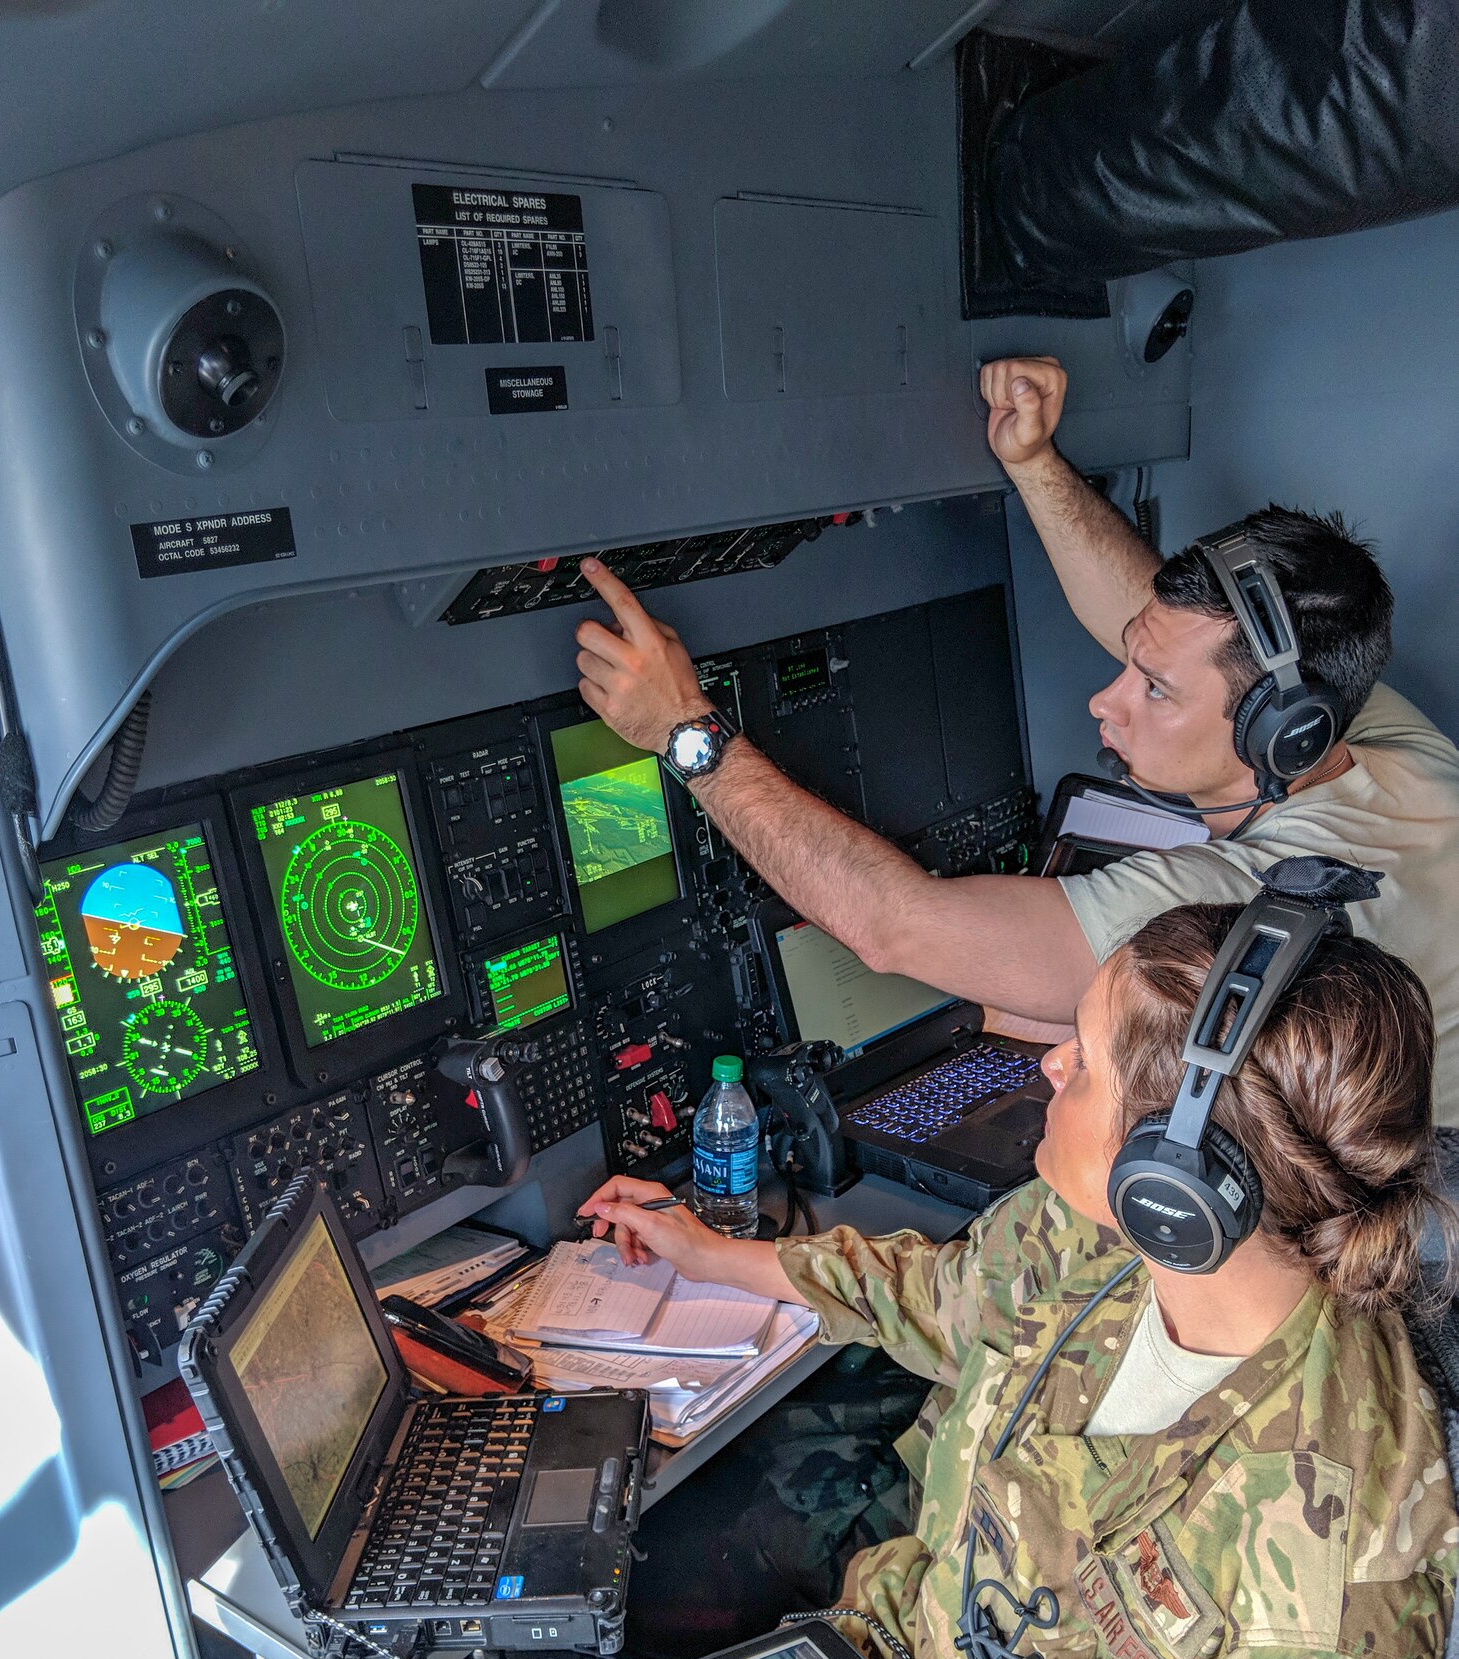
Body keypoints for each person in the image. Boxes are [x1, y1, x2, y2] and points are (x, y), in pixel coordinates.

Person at [407, 894, 1458, 1659]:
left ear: (1182, 1178)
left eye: (1086, 1061)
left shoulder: (1350, 1545)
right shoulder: (1092, 1236)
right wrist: (720, 1258)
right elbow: (953, 1293)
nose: (1049, 1063)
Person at [562, 358, 1459, 1121]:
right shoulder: (1391, 752)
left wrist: (688, 733)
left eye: (1152, 691)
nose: (1105, 703)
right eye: (1132, 665)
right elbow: (1157, 626)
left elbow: (893, 928)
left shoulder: (1236, 904)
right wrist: (1032, 462)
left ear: (1282, 736)